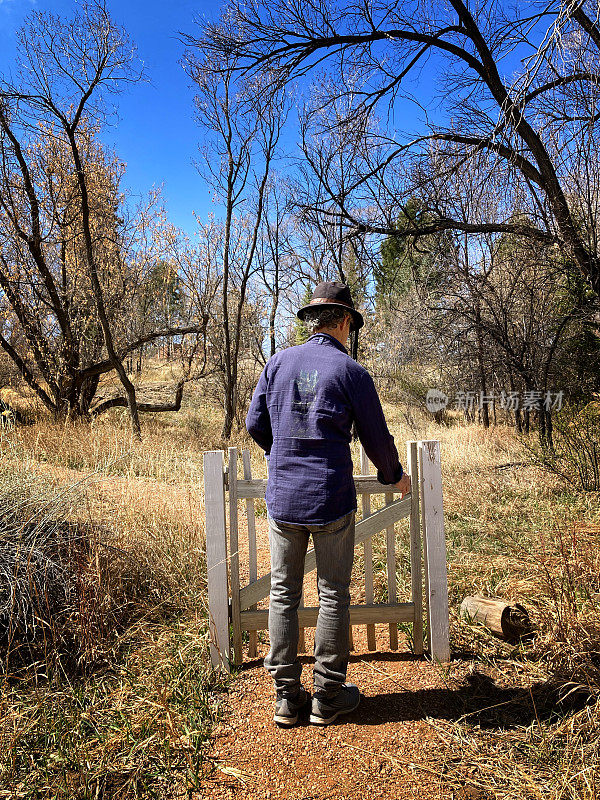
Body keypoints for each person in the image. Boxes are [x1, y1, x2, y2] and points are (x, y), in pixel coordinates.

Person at [245, 281, 411, 727]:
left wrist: (283, 455)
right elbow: (377, 438)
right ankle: (329, 695)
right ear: (342, 321)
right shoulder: (351, 372)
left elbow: (254, 424)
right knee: (333, 593)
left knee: (284, 592)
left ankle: (286, 698)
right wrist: (394, 476)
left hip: (284, 500)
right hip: (330, 498)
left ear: (312, 320)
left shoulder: (277, 363)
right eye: (350, 323)